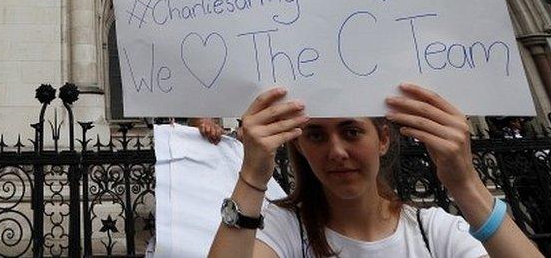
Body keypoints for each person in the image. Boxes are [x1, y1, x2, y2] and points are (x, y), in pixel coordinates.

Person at [207, 83, 542, 258]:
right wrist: (252, 176)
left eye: (351, 131)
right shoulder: (283, 232)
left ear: (383, 139)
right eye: (316, 136)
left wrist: (466, 184)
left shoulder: (435, 232)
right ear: (299, 145)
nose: (336, 151)